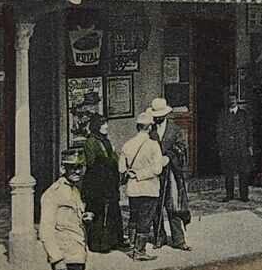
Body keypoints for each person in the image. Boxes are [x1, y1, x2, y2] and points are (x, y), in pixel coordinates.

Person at [39, 147, 93, 270]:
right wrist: (57, 259)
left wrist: (84, 217)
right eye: (73, 168)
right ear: (63, 168)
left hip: (78, 254)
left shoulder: (74, 190)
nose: (77, 172)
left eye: (80, 167)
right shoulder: (52, 194)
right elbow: (45, 230)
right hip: (66, 256)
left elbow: (71, 218)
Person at [119, 111, 167, 261]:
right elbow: (157, 169)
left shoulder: (127, 144)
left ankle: (132, 245)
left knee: (134, 217)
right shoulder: (153, 145)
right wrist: (141, 174)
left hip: (133, 188)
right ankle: (139, 251)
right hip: (149, 188)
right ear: (150, 127)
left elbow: (121, 168)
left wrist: (132, 174)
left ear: (138, 127)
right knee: (145, 220)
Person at [149, 97, 192, 248]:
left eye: (160, 116)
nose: (158, 118)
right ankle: (159, 237)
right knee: (156, 206)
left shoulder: (175, 130)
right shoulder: (150, 130)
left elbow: (181, 148)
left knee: (173, 205)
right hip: (155, 174)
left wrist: (169, 157)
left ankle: (179, 240)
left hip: (171, 173)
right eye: (156, 116)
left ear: (165, 115)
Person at [81, 114, 126, 253]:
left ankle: (114, 241)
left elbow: (113, 158)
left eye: (106, 123)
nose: (106, 126)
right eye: (102, 124)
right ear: (96, 126)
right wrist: (108, 161)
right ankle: (99, 243)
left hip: (109, 183)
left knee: (112, 211)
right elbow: (91, 163)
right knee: (99, 212)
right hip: (97, 184)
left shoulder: (105, 141)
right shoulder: (91, 142)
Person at [216, 86, 254, 201]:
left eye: (234, 99)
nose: (232, 101)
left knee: (244, 172)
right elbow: (219, 131)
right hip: (228, 148)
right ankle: (229, 195)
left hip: (241, 147)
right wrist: (221, 147)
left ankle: (244, 195)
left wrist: (250, 146)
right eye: (230, 99)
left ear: (237, 100)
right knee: (229, 173)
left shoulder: (243, 114)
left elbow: (249, 130)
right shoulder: (223, 115)